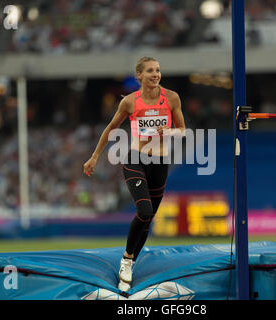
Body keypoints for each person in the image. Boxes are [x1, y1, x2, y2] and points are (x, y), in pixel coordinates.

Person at [83, 57, 186, 292]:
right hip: (136, 159)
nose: (155, 74)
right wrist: (94, 157)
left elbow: (182, 130)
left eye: (158, 70)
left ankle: (130, 260)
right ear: (139, 75)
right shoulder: (130, 102)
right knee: (145, 211)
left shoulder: (171, 98)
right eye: (150, 71)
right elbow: (111, 129)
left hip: (160, 163)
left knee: (148, 219)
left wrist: (168, 130)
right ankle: (126, 260)